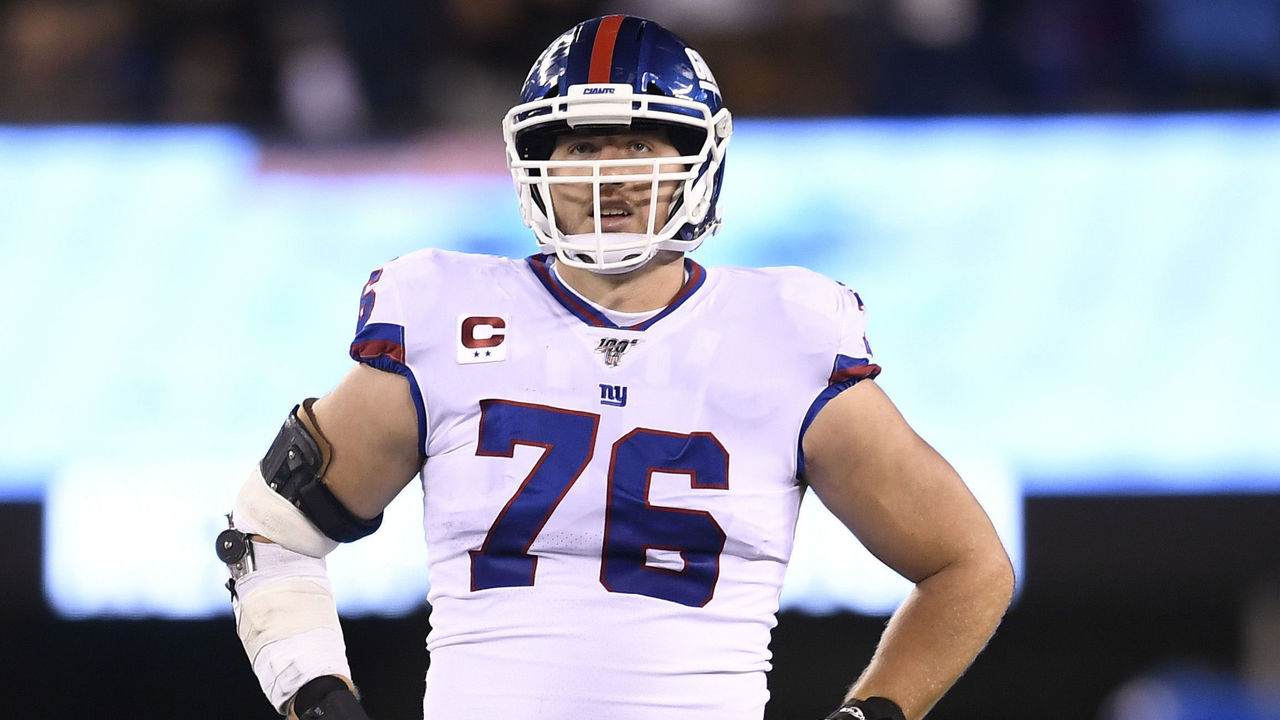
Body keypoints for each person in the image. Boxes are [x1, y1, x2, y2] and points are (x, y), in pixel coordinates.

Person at [216, 14, 1014, 720]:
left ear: (697, 155)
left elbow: (968, 565)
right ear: (535, 162)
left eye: (640, 142)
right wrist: (317, 696)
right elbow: (266, 534)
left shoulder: (788, 334)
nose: (612, 174)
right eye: (583, 145)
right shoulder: (446, 316)